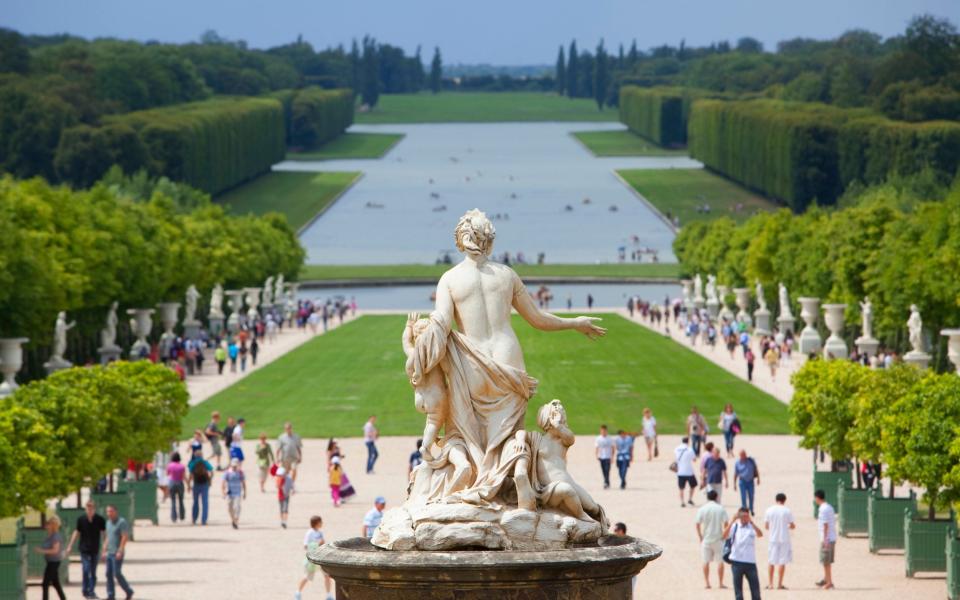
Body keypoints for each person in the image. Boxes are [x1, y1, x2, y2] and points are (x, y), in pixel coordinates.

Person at [66, 500, 106, 600]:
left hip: (95, 549)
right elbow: (77, 532)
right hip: (84, 548)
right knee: (86, 569)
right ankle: (85, 590)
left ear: (94, 509)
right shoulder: (81, 519)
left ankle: (91, 591)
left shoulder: (100, 519)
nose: (89, 510)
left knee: (93, 571)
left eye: (91, 508)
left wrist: (105, 547)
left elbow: (104, 533)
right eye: (88, 508)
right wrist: (70, 545)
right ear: (85, 509)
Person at [723, 507, 763, 600]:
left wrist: (752, 522)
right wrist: (732, 521)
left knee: (755, 591)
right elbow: (724, 535)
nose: (744, 518)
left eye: (746, 516)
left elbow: (760, 534)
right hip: (737, 562)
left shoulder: (751, 526)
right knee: (738, 592)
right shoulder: (735, 526)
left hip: (750, 562)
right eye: (742, 516)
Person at [695, 490, 728, 589]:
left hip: (706, 538)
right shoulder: (720, 508)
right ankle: (720, 583)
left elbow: (697, 523)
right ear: (716, 497)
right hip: (718, 538)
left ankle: (707, 583)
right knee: (720, 562)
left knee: (705, 561)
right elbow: (726, 523)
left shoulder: (703, 509)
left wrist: (700, 536)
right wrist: (724, 535)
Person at [296, 515, 333, 600]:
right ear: (317, 523)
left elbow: (322, 544)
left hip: (320, 558)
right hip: (312, 559)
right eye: (320, 522)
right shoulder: (310, 533)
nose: (322, 523)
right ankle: (298, 592)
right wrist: (317, 543)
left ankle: (328, 595)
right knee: (307, 577)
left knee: (326, 575)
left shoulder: (320, 532)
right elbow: (305, 546)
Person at [764, 493, 796, 590]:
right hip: (784, 538)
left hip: (773, 538)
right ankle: (779, 584)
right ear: (784, 500)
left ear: (776, 499)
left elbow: (766, 526)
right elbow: (793, 525)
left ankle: (770, 584)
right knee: (782, 562)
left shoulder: (769, 510)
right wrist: (787, 526)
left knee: (771, 561)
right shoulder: (787, 510)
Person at [103, 504, 134, 600]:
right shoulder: (108, 522)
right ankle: (110, 595)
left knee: (117, 573)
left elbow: (125, 536)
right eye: (108, 511)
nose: (109, 513)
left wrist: (120, 550)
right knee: (108, 573)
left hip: (117, 552)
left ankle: (128, 591)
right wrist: (104, 549)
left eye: (111, 511)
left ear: (116, 511)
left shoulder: (121, 522)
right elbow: (108, 536)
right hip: (109, 552)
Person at [36, 515, 66, 600]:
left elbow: (55, 550)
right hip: (50, 561)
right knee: (56, 583)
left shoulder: (56, 536)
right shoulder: (49, 535)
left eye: (48, 523)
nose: (46, 525)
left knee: (45, 583)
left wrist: (41, 551)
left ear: (53, 525)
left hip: (54, 562)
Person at [814, 489, 837, 589]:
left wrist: (825, 540)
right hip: (831, 537)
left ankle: (829, 582)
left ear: (817, 498)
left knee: (825, 562)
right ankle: (826, 579)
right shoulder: (829, 507)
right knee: (827, 561)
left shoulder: (822, 509)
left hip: (827, 539)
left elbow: (825, 525)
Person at [187, 450, 214, 525]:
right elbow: (211, 471)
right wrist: (210, 480)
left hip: (196, 484)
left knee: (195, 502)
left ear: (195, 455)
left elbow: (190, 475)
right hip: (204, 484)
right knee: (205, 502)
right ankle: (204, 520)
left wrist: (189, 485)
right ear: (202, 455)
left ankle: (194, 519)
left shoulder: (192, 463)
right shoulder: (205, 462)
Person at [733, 450, 761, 515]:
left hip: (750, 481)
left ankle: (751, 509)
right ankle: (744, 510)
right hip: (742, 481)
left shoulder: (751, 461)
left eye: (744, 455)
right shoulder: (737, 463)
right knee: (743, 497)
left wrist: (758, 479)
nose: (744, 456)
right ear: (740, 456)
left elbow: (756, 469)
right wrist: (734, 484)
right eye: (742, 455)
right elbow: (735, 474)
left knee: (751, 496)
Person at [222, 457, 246, 529]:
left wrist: (245, 492)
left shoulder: (240, 473)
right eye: (233, 466)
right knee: (229, 508)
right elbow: (223, 483)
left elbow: (243, 483)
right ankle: (233, 520)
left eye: (236, 466)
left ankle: (236, 520)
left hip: (238, 493)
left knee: (237, 507)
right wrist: (223, 492)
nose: (234, 467)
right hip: (229, 493)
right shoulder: (227, 473)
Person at [675, 437, 698, 507]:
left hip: (680, 471)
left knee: (681, 488)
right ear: (688, 442)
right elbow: (694, 459)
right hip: (689, 471)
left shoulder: (677, 449)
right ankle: (690, 499)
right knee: (693, 485)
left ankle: (682, 502)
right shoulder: (689, 449)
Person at [166, 451, 186, 522]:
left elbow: (167, 474)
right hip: (180, 483)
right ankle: (182, 516)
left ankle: (174, 517)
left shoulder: (170, 465)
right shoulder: (182, 466)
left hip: (172, 483)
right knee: (181, 500)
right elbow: (183, 476)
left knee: (173, 501)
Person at [595, 424, 614, 489]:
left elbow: (612, 448)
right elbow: (597, 447)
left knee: (607, 470)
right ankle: (607, 481)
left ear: (606, 431)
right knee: (603, 470)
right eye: (602, 431)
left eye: (604, 431)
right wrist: (596, 455)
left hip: (608, 457)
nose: (603, 432)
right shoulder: (598, 438)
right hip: (601, 456)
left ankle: (606, 482)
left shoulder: (610, 438)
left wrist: (612, 457)